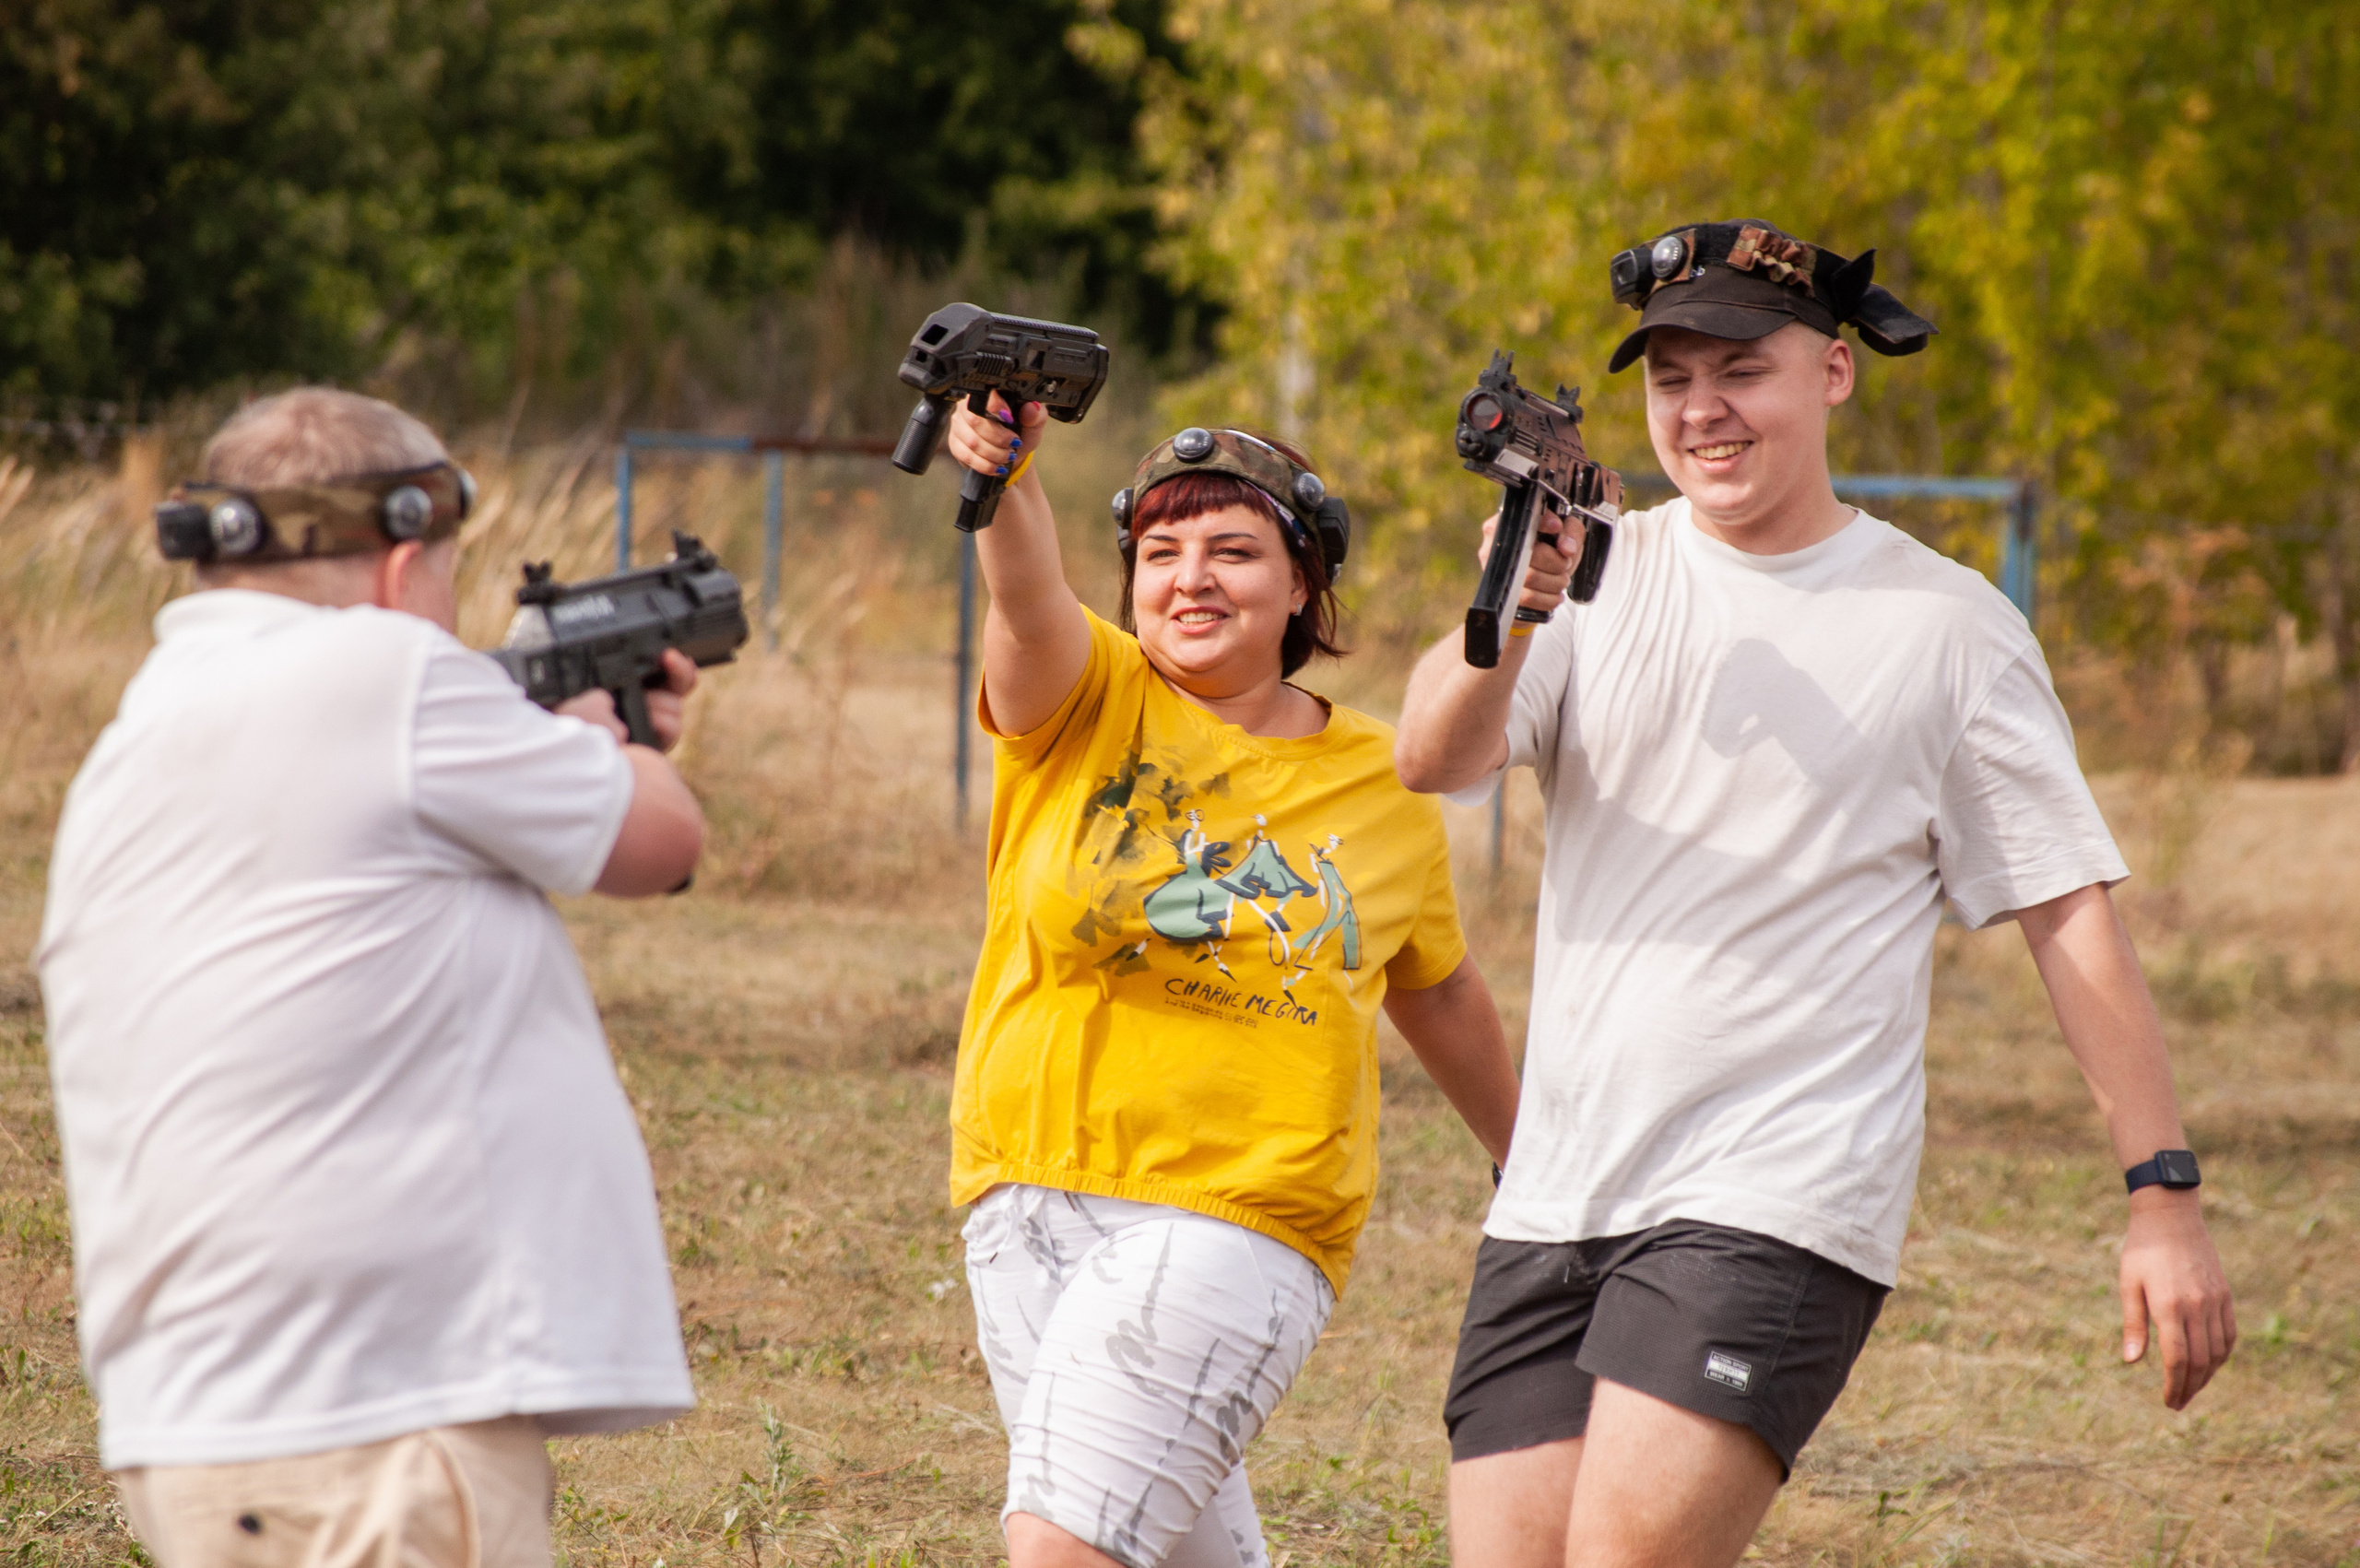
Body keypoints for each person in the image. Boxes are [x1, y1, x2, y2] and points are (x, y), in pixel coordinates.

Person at [1393, 220, 2237, 1568]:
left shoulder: (1947, 625)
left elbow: (2065, 908)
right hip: (1560, 1192)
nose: (1702, 410)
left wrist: (2164, 1192)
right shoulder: (1598, 572)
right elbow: (1431, 755)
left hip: (1775, 1194)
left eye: (1741, 370)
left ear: (1834, 375)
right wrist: (1522, 595)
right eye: (1671, 379)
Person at [38, 389, 706, 1568]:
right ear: (405, 569)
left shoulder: (140, 734)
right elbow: (661, 846)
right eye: (450, 583)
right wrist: (617, 737)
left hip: (195, 1430)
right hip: (378, 1429)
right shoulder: (387, 672)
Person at [940, 400, 1524, 1568]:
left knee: (1066, 1549)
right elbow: (1022, 593)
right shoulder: (1086, 697)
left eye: (1232, 551)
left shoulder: (1384, 773)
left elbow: (1437, 990)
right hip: (1023, 1197)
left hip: (1244, 1213)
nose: (1190, 581)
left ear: (1303, 585)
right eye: (1160, 555)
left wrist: (1540, 1166)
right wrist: (1005, 477)